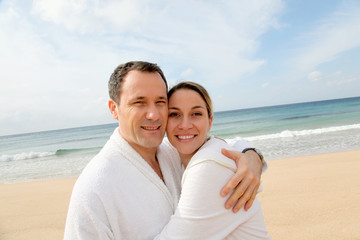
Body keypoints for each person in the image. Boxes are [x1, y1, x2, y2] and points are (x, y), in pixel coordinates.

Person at [64, 61, 266, 239]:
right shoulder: (94, 188)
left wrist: (251, 155)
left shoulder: (172, 150)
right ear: (114, 108)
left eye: (160, 102)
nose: (153, 114)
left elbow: (219, 147)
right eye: (139, 102)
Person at [155, 81, 270, 239]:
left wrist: (253, 155)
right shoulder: (192, 152)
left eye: (196, 114)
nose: (185, 125)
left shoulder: (208, 166)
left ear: (210, 121)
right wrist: (253, 153)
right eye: (174, 114)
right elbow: (234, 143)